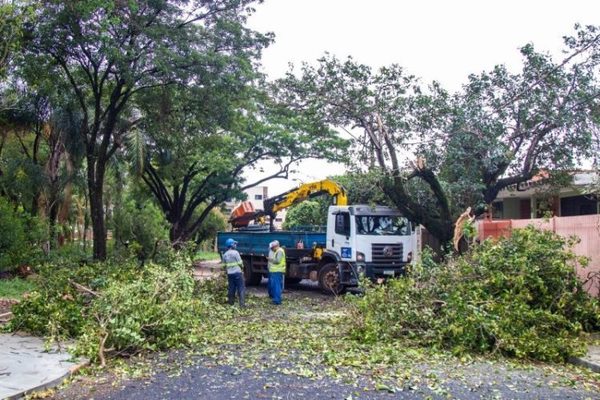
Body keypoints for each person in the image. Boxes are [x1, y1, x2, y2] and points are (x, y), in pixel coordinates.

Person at [222, 238, 245, 307]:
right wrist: (242, 268)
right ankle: (242, 305)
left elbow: (224, 266)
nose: (235, 245)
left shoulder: (225, 254)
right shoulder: (236, 252)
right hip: (237, 273)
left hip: (230, 274)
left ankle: (231, 303)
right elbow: (240, 263)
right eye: (234, 244)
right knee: (241, 288)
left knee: (231, 288)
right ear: (231, 245)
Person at [267, 240, 286, 305]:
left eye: (273, 248)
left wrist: (270, 259)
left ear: (276, 246)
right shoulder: (277, 251)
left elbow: (277, 261)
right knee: (276, 286)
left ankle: (277, 300)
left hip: (277, 271)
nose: (272, 249)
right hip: (275, 271)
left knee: (276, 286)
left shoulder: (279, 251)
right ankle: (276, 299)